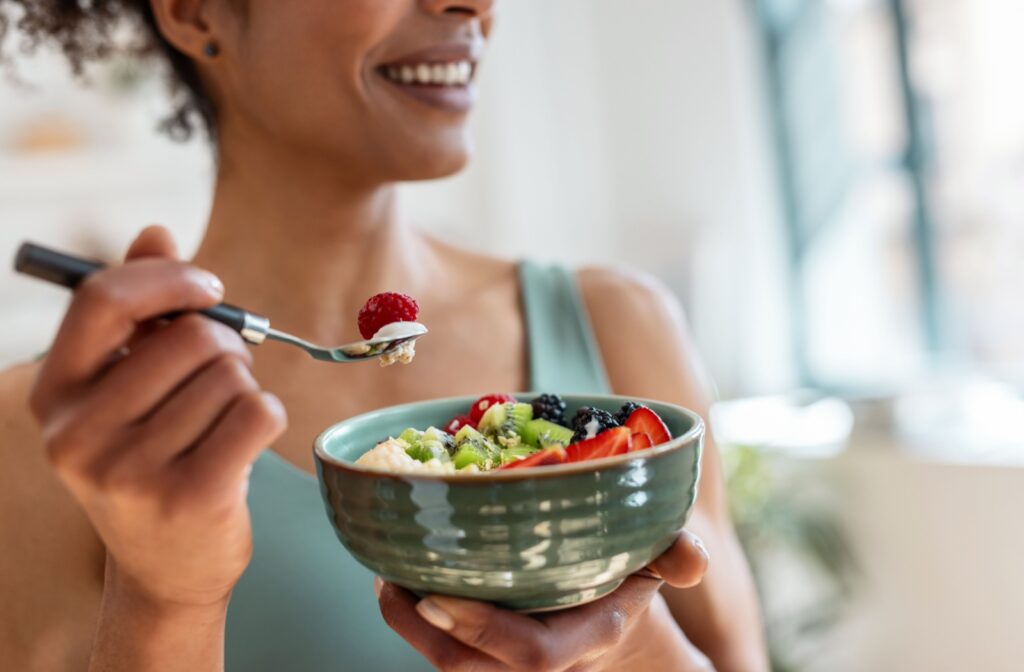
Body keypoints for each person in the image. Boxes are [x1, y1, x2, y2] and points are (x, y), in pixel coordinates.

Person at [0, 1, 768, 670]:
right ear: (197, 9)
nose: (471, 4)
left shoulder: (620, 322)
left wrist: (626, 647)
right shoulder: (44, 430)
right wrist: (165, 600)